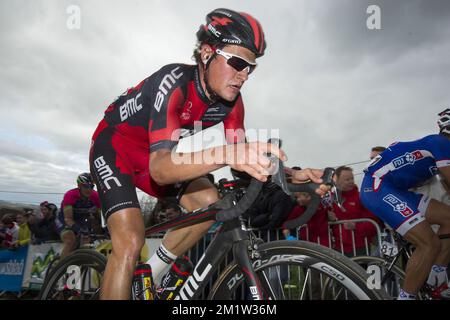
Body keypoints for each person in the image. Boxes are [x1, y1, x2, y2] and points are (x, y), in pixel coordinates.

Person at [89, 8, 330, 300]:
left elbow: (242, 163)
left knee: (208, 205)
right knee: (129, 242)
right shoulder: (174, 81)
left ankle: (150, 274)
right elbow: (161, 170)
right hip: (115, 149)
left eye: (250, 67)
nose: (244, 75)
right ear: (206, 52)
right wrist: (228, 152)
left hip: (156, 157)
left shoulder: (232, 104)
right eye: (238, 62)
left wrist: (295, 175)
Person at [361, 108, 450, 300]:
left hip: (397, 191)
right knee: (429, 244)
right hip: (377, 188)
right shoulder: (441, 143)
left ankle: (436, 280)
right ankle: (405, 297)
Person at [329, 166, 381, 257]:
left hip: (359, 246)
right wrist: (327, 216)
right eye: (347, 179)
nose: (351, 181)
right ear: (337, 181)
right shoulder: (330, 199)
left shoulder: (361, 197)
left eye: (351, 178)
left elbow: (373, 221)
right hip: (337, 247)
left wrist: (355, 226)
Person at [56, 173, 102, 259]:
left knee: (86, 243)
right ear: (79, 186)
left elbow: (101, 217)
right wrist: (79, 229)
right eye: (85, 186)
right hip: (64, 220)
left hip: (81, 220)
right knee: (70, 240)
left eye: (91, 186)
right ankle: (61, 268)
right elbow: (68, 219)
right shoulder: (70, 195)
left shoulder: (95, 196)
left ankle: (80, 263)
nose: (88, 189)